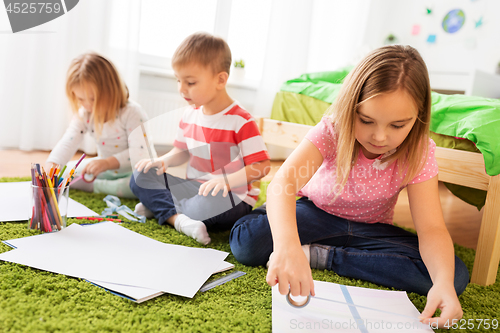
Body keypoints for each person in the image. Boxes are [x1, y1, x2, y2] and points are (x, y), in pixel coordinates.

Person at [229, 45, 469, 328]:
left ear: (417, 117)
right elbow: (285, 181)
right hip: (315, 213)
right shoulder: (333, 129)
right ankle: (301, 243)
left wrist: (442, 283)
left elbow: (431, 228)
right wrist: (287, 245)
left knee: (453, 277)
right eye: (366, 120)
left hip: (370, 230)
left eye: (397, 125)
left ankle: (322, 255)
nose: (379, 136)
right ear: (351, 107)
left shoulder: (419, 151)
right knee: (246, 243)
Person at [130, 32, 270, 245]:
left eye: (191, 82)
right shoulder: (189, 114)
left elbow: (262, 166)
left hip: (231, 196)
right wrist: (163, 161)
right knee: (140, 174)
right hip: (195, 186)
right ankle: (178, 219)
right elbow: (181, 151)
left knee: (205, 203)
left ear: (220, 80)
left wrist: (227, 181)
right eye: (178, 80)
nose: (181, 89)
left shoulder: (241, 121)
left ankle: (162, 207)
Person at [46, 52, 148, 198]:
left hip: (134, 171)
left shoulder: (132, 112)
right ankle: (96, 184)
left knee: (141, 184)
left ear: (111, 90)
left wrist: (106, 163)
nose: (87, 105)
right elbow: (67, 142)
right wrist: (51, 166)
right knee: (63, 172)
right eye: (81, 99)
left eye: (93, 99)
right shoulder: (85, 114)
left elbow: (139, 153)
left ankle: (96, 186)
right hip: (103, 169)